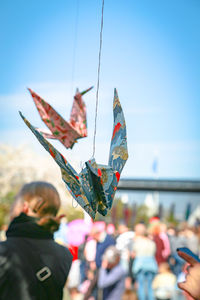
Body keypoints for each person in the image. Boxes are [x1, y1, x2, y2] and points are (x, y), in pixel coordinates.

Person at [0, 181, 73, 300]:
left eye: (15, 201)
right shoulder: (64, 254)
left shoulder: (4, 251)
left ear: (24, 207)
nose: (11, 207)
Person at [131, 223, 158, 300]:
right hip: (151, 265)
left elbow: (133, 254)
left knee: (141, 286)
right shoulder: (152, 243)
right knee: (150, 286)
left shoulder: (137, 242)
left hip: (140, 265)